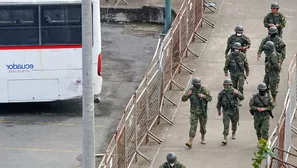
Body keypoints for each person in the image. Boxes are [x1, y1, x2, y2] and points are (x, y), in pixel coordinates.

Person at [182, 77, 212, 148]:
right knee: (193, 126)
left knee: (203, 127)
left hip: (202, 112)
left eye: (198, 84)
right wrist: (187, 95)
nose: (196, 86)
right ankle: (190, 141)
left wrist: (204, 96)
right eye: (195, 84)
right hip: (194, 112)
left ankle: (203, 136)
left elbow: (210, 98)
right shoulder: (191, 90)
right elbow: (183, 99)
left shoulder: (204, 90)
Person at [216, 78, 244, 146]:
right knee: (226, 125)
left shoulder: (234, 91)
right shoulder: (221, 93)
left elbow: (242, 98)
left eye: (227, 85)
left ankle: (233, 132)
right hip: (226, 111)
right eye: (225, 85)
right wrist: (219, 110)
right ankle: (225, 138)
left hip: (234, 111)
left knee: (234, 124)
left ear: (230, 85)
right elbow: (219, 103)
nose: (226, 86)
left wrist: (238, 94)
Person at [249, 83, 275, 147]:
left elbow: (272, 106)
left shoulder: (269, 97)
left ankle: (265, 142)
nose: (262, 91)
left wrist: (265, 109)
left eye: (263, 90)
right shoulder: (255, 97)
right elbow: (251, 105)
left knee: (264, 129)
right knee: (257, 129)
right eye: (261, 90)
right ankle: (259, 140)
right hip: (257, 116)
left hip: (265, 116)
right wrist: (257, 108)